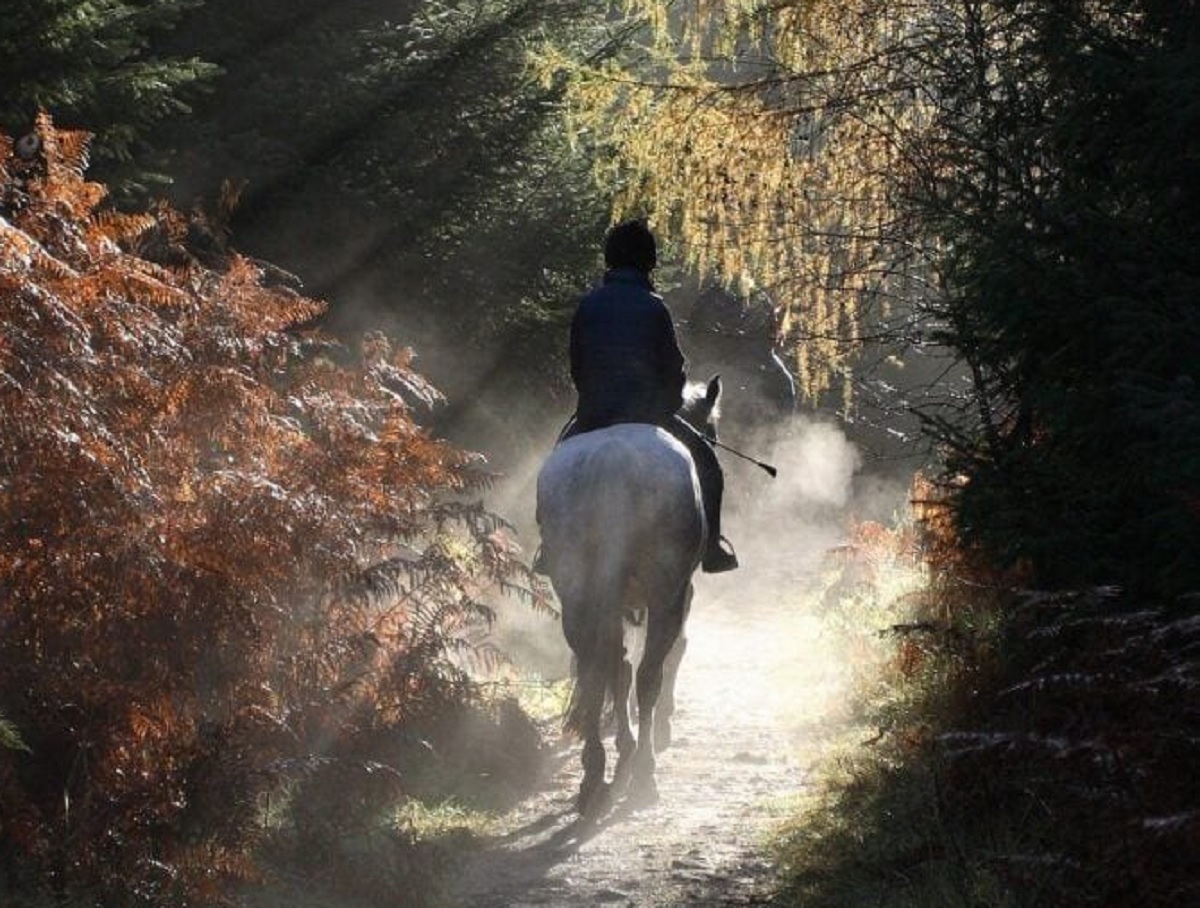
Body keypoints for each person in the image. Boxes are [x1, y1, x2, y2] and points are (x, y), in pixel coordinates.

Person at [561, 218, 738, 573]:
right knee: (709, 465)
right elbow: (673, 368)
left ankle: (550, 548)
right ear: (649, 262)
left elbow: (578, 363)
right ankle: (713, 549)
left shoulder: (589, 305)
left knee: (555, 461)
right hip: (648, 415)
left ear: (609, 258)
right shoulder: (654, 306)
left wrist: (593, 399)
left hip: (594, 414)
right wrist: (668, 404)